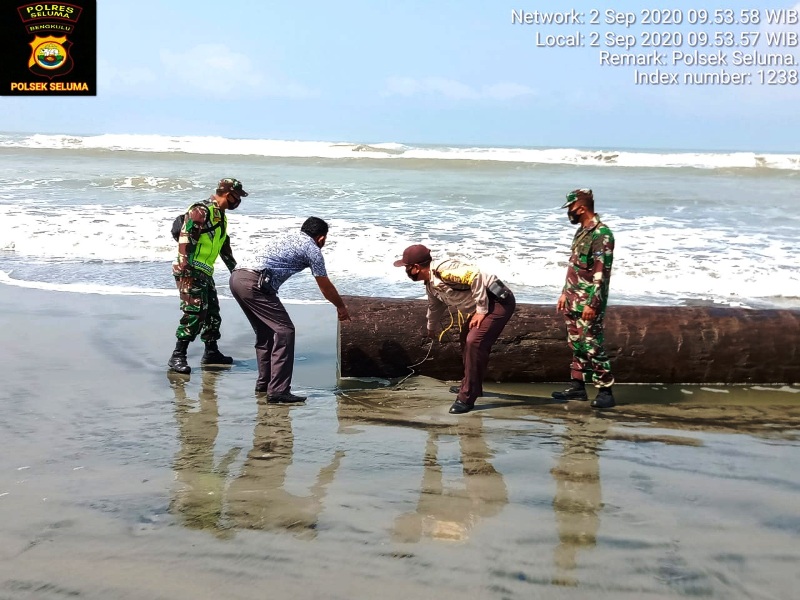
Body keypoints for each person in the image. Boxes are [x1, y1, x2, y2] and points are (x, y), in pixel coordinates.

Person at [229, 217, 350, 403]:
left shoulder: (289, 237)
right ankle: (278, 391)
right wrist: (341, 307)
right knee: (285, 331)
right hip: (255, 283)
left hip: (237, 278)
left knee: (265, 332)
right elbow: (325, 286)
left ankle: (265, 383)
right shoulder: (312, 249)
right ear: (321, 238)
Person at [393, 244, 516, 414]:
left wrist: (481, 310)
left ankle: (467, 397)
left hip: (498, 301)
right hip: (486, 304)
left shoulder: (443, 271)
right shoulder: (431, 283)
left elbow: (475, 276)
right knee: (465, 338)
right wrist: (431, 327)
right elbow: (435, 306)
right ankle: (470, 385)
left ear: (415, 268)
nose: (406, 271)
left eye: (406, 268)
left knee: (474, 341)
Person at [168, 178, 247, 375]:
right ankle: (178, 355)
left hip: (204, 271)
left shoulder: (221, 216)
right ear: (229, 195)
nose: (239, 202)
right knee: (194, 312)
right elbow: (185, 239)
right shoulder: (201, 210)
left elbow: (224, 247)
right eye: (238, 197)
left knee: (212, 312)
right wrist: (186, 270)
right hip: (190, 269)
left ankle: (211, 352)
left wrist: (236, 272)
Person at [553, 188, 616, 409]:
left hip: (588, 301)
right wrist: (564, 292)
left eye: (570, 208)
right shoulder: (582, 231)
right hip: (572, 298)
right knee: (576, 344)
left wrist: (593, 303)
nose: (569, 212)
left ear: (581, 207)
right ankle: (577, 386)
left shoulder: (602, 235)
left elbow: (601, 273)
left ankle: (605, 390)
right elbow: (574, 266)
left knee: (592, 344)